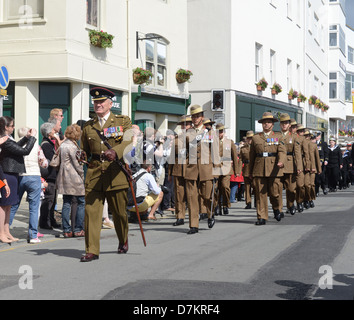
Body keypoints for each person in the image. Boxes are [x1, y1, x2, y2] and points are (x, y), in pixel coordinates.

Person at [80, 87, 133, 262]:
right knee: (91, 213)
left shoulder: (123, 121)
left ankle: (123, 238)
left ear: (110, 103)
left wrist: (115, 152)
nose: (98, 104)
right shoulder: (88, 126)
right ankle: (92, 250)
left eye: (101, 101)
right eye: (95, 102)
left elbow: (128, 142)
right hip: (95, 174)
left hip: (115, 172)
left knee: (119, 213)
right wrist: (81, 154)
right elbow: (85, 149)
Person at [0, 116, 37, 243]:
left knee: (9, 204)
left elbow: (16, 147)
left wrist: (26, 138)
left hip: (12, 173)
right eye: (11, 125)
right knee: (4, 204)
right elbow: (24, 151)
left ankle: (6, 231)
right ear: (6, 127)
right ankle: (1, 233)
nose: (13, 127)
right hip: (6, 174)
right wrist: (32, 138)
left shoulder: (8, 139)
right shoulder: (4, 139)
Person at [9, 127, 48, 244]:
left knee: (14, 205)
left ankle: (5, 231)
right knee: (34, 207)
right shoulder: (36, 146)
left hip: (20, 176)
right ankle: (33, 235)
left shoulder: (15, 145)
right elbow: (44, 163)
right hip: (34, 176)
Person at [184, 105, 218, 233]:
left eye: (197, 116)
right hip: (191, 169)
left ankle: (210, 214)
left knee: (207, 196)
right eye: (193, 116)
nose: (195, 118)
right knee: (192, 198)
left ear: (202, 117)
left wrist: (216, 170)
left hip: (206, 169)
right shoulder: (187, 133)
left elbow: (215, 153)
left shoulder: (210, 133)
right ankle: (193, 225)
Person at [249, 112, 286, 225]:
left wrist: (281, 161)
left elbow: (282, 151)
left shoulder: (278, 136)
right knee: (260, 195)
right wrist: (250, 172)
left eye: (269, 122)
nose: (266, 124)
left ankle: (276, 208)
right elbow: (252, 156)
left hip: (274, 168)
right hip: (259, 168)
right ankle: (262, 217)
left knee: (275, 193)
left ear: (273, 124)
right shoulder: (256, 138)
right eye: (264, 122)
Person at [55, 124, 85, 238]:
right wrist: (82, 175)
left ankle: (67, 230)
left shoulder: (63, 145)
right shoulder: (72, 146)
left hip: (63, 177)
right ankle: (78, 229)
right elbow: (77, 164)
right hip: (74, 177)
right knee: (81, 201)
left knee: (66, 203)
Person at [169, 115, 192, 226]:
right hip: (178, 168)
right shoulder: (177, 139)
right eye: (183, 124)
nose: (185, 126)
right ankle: (180, 217)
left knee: (192, 195)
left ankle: (197, 215)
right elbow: (172, 157)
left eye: (187, 124)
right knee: (179, 195)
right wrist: (169, 172)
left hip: (191, 168)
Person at [278, 113, 301, 215]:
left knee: (291, 189)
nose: (284, 125)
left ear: (289, 125)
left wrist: (299, 166)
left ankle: (290, 204)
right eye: (282, 123)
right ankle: (279, 209)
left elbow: (297, 153)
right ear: (280, 124)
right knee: (277, 189)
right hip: (278, 165)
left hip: (290, 165)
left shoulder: (294, 137)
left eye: (286, 123)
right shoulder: (276, 136)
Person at [213, 123, 238, 215]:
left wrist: (236, 170)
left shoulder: (229, 142)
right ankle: (216, 206)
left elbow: (234, 157)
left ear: (224, 132)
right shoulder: (213, 142)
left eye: (221, 131)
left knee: (225, 187)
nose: (220, 133)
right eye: (218, 131)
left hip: (226, 167)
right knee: (215, 189)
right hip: (215, 168)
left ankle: (226, 205)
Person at [39, 122, 60, 229]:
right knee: (48, 200)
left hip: (53, 175)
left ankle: (51, 220)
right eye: (52, 130)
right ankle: (44, 222)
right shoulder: (46, 144)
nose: (55, 131)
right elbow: (53, 160)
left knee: (53, 200)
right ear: (48, 132)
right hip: (49, 176)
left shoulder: (49, 143)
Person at [294, 124, 310, 212]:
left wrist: (308, 165)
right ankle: (291, 204)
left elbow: (307, 154)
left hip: (301, 164)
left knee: (301, 185)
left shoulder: (304, 141)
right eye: (299, 131)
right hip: (290, 164)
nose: (301, 133)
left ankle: (301, 201)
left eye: (302, 131)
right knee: (292, 187)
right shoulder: (291, 138)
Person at [239, 131, 254, 208]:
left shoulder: (257, 147)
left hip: (255, 168)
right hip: (247, 168)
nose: (250, 140)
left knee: (256, 186)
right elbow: (240, 160)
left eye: (251, 138)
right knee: (247, 187)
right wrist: (238, 171)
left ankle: (257, 201)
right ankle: (248, 202)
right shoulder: (243, 148)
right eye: (248, 138)